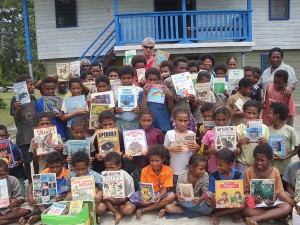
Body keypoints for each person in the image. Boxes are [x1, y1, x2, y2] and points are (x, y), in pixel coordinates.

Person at [242, 144, 294, 225]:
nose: (259, 163)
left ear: (270, 160)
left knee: (287, 207)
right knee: (245, 210)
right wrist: (254, 200)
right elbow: (246, 191)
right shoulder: (249, 171)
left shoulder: (275, 171)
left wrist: (273, 200)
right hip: (256, 202)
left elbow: (278, 190)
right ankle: (275, 215)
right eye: (256, 159)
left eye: (262, 160)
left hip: (272, 201)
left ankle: (255, 218)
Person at [20, 152, 70, 225]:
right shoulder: (46, 172)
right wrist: (29, 195)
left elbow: (71, 189)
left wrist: (64, 195)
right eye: (51, 167)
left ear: (62, 164)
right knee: (36, 194)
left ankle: (42, 216)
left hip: (61, 201)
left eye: (57, 166)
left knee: (69, 198)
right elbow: (32, 184)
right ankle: (45, 214)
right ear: (48, 165)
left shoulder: (67, 174)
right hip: (46, 202)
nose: (55, 170)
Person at [128, 145, 176, 219]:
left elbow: (165, 188)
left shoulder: (168, 170)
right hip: (148, 193)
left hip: (161, 193)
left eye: (157, 161)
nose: (154, 163)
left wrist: (159, 196)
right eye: (151, 161)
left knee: (172, 195)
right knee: (139, 201)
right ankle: (159, 206)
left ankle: (144, 210)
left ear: (163, 160)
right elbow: (144, 188)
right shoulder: (144, 170)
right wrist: (147, 199)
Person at [162, 154, 212, 218]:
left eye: (205, 169)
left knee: (207, 208)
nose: (203, 171)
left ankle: (189, 211)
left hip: (197, 200)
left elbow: (204, 193)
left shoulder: (205, 175)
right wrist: (179, 196)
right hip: (185, 201)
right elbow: (178, 191)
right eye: (201, 169)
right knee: (168, 207)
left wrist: (200, 199)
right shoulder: (183, 175)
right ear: (191, 167)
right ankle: (196, 212)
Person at [128, 108, 164, 189]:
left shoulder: (157, 132)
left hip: (154, 166)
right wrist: (129, 154)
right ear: (139, 120)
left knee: (154, 187)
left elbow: (162, 149)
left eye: (149, 120)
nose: (146, 123)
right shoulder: (133, 134)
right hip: (138, 165)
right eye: (143, 120)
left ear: (153, 120)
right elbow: (129, 148)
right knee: (140, 187)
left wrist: (150, 151)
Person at [10, 74, 36, 183]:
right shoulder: (15, 100)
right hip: (24, 136)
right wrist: (17, 109)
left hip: (35, 135)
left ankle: (37, 180)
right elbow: (16, 119)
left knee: (36, 160)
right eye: (30, 85)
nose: (33, 87)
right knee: (27, 161)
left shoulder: (33, 98)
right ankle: (30, 181)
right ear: (23, 87)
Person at [65, 151, 103, 224]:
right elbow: (68, 188)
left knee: (101, 208)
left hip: (93, 202)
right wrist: (69, 193)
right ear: (73, 167)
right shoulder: (71, 176)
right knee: (66, 206)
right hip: (78, 203)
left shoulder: (94, 175)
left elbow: (103, 186)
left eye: (83, 169)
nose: (80, 172)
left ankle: (95, 215)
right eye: (77, 169)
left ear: (88, 166)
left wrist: (100, 193)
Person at [164, 108, 199, 186]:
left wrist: (197, 147)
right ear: (174, 120)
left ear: (189, 121)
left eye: (185, 121)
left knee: (187, 192)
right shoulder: (170, 134)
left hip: (188, 170)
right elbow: (163, 151)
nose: (183, 123)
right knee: (176, 193)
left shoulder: (191, 133)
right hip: (174, 170)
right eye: (180, 120)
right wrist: (170, 149)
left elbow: (194, 152)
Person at [97, 152, 135, 224]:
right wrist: (103, 195)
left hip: (121, 202)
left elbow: (130, 195)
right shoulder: (102, 175)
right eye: (107, 168)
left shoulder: (127, 177)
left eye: (112, 167)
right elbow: (100, 192)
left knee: (128, 210)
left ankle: (118, 211)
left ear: (119, 165)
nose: (109, 170)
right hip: (108, 202)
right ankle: (116, 212)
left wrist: (120, 200)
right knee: (100, 209)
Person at [208, 149, 244, 225]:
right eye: (216, 164)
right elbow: (211, 192)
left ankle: (218, 214)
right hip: (220, 203)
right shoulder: (214, 175)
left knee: (245, 203)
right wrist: (213, 197)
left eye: (220, 165)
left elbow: (240, 194)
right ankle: (231, 213)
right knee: (212, 204)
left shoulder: (238, 174)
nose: (217, 167)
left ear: (230, 164)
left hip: (234, 202)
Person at [164, 57, 197, 132]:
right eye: (181, 68)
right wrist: (174, 99)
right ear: (175, 68)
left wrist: (192, 99)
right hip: (175, 114)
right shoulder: (168, 81)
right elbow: (165, 101)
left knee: (189, 137)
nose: (183, 71)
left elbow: (192, 103)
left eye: (185, 68)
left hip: (187, 113)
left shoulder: (189, 80)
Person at [236, 100, 269, 173]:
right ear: (244, 112)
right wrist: (239, 142)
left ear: (258, 114)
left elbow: (268, 148)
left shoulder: (264, 128)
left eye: (254, 113)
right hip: (243, 164)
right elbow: (235, 148)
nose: (251, 116)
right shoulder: (239, 128)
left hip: (259, 164)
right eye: (249, 113)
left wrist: (265, 143)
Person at [267, 102, 300, 175]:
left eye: (270, 113)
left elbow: (297, 149)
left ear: (277, 115)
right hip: (269, 169)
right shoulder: (267, 129)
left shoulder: (290, 130)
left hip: (284, 170)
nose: (267, 115)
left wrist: (285, 157)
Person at [139, 67, 173, 132]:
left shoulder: (164, 91)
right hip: (148, 126)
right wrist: (145, 94)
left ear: (159, 80)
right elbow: (142, 110)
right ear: (146, 80)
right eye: (150, 80)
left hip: (163, 125)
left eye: (155, 80)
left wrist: (170, 96)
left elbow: (170, 109)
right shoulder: (142, 93)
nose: (153, 82)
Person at [0, 160, 33, 224]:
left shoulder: (13, 180)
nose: (0, 178)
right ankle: (15, 220)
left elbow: (20, 199)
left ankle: (2, 219)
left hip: (10, 209)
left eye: (2, 174)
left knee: (29, 208)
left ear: (7, 172)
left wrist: (16, 201)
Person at [202, 106, 233, 173]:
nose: (221, 123)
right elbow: (204, 151)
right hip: (214, 166)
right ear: (214, 119)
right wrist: (211, 151)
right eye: (218, 120)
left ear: (228, 119)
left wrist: (236, 151)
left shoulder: (232, 132)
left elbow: (237, 150)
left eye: (224, 120)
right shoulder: (209, 133)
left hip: (229, 167)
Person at [0, 125, 26, 197]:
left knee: (21, 197)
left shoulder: (13, 147)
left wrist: (19, 162)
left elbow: (23, 158)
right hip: (1, 178)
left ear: (7, 136)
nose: (0, 138)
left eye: (2, 136)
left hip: (16, 176)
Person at [114, 65, 142, 132]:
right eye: (124, 78)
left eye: (129, 78)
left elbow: (144, 108)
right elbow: (113, 108)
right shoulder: (115, 91)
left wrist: (139, 110)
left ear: (133, 78)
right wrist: (116, 110)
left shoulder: (139, 90)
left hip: (135, 122)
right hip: (120, 122)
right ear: (120, 78)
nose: (126, 80)